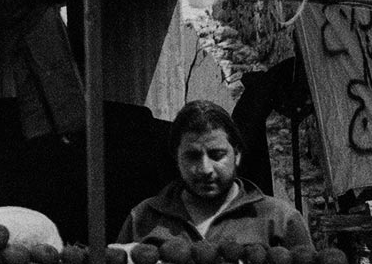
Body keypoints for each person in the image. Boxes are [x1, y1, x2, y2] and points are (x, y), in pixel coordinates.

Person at [121, 100, 310, 250]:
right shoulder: (143, 218)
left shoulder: (280, 219)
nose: (205, 169)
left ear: (236, 155)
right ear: (176, 159)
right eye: (192, 156)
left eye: (216, 155)